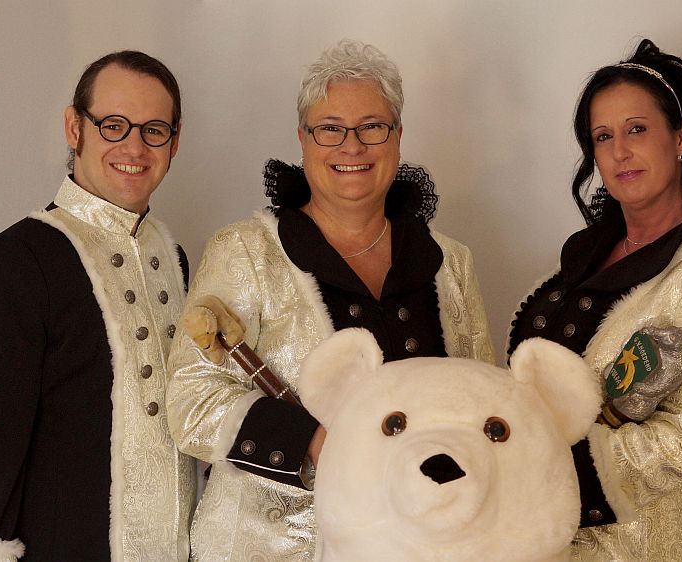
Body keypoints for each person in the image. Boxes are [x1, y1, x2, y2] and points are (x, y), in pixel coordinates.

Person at [165, 39, 494, 560]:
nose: (352, 146)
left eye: (372, 127)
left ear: (398, 136)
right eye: (330, 129)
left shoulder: (451, 262)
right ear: (303, 139)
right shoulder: (246, 250)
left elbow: (484, 403)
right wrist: (312, 441)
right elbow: (191, 399)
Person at [507, 39, 682, 561]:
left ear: (681, 135)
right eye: (604, 137)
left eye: (637, 129)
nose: (620, 151)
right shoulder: (578, 258)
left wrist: (535, 472)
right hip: (538, 540)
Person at [0, 51, 195, 560]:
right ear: (74, 128)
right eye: (113, 125)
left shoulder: (175, 259)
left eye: (154, 130)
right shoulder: (17, 260)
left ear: (174, 142)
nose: (134, 147)